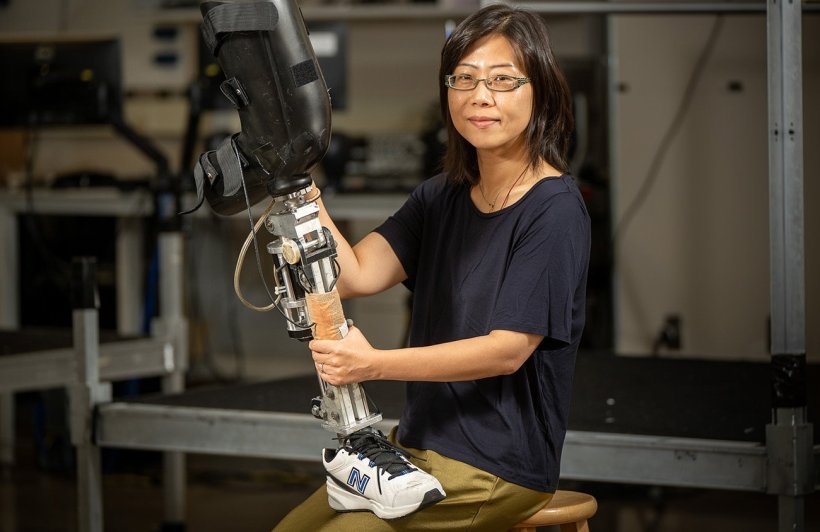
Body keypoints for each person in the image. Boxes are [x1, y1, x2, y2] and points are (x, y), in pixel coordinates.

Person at [274, 3, 590, 530]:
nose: (480, 96)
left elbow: (507, 351)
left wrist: (371, 364)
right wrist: (297, 184)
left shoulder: (554, 210)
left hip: (497, 463)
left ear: (541, 94)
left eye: (503, 80)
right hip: (414, 446)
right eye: (463, 79)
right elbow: (357, 276)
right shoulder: (441, 196)